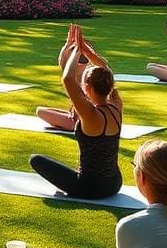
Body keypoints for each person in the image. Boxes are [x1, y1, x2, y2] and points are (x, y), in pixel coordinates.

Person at [30, 24, 123, 199]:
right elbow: (106, 70)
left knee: (36, 160)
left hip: (90, 187)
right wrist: (87, 52)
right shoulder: (116, 107)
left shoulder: (90, 115)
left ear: (87, 87)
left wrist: (76, 50)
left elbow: (67, 78)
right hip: (115, 183)